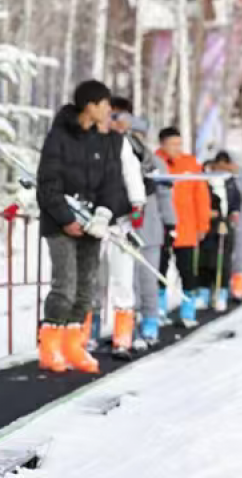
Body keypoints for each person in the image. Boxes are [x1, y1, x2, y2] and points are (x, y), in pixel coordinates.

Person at [36, 80, 126, 374]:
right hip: (60, 223)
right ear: (90, 105)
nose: (109, 110)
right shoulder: (59, 136)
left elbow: (112, 182)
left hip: (92, 224)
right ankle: (50, 345)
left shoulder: (104, 140)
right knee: (65, 285)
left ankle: (74, 344)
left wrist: (103, 215)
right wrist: (66, 219)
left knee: (87, 287)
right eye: (105, 104)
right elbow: (48, 182)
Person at [93, 96, 146, 359]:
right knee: (93, 280)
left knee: (123, 280)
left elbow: (133, 172)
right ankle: (88, 335)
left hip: (120, 222)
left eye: (116, 117)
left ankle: (122, 338)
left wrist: (137, 203)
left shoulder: (123, 143)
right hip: (92, 221)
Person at [125, 115, 176, 347]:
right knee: (128, 284)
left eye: (138, 135)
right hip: (124, 231)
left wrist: (170, 224)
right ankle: (128, 327)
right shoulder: (117, 158)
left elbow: (166, 198)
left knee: (148, 281)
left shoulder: (156, 163)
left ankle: (150, 322)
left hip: (150, 231)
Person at [155, 127, 211, 328]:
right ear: (162, 144)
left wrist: (202, 224)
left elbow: (201, 196)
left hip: (186, 228)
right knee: (158, 270)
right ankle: (158, 311)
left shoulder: (190, 164)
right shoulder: (154, 162)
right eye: (172, 144)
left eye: (179, 144)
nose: (177, 148)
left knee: (187, 271)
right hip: (160, 228)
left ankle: (188, 311)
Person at [213, 151, 242, 301]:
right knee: (220, 255)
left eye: (225, 166)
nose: (222, 169)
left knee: (239, 255)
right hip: (219, 222)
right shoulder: (214, 177)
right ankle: (220, 288)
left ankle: (237, 286)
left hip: (240, 222)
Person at [198, 159, 240, 312]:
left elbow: (235, 203)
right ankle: (204, 293)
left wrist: (231, 216)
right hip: (207, 225)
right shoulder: (204, 182)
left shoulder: (229, 182)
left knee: (222, 261)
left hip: (224, 225)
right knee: (205, 260)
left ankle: (221, 293)